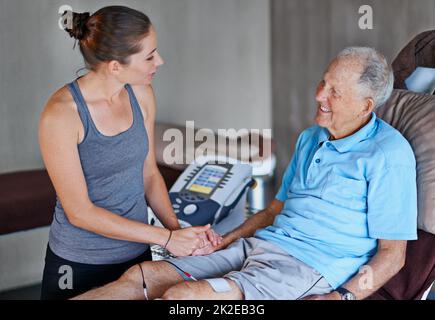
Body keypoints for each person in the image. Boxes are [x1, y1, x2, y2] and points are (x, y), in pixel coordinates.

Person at [73, 47, 418, 300]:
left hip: (309, 267)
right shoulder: (311, 137)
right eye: (322, 83)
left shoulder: (388, 155)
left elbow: (393, 255)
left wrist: (342, 297)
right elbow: (274, 210)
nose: (318, 96)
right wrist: (228, 238)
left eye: (334, 92)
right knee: (143, 276)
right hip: (262, 244)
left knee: (184, 299)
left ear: (365, 106)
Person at [38, 6, 221, 300]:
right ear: (114, 66)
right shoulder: (61, 115)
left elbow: (149, 174)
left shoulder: (141, 94)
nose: (159, 61)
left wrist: (183, 237)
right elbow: (80, 212)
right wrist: (168, 238)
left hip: (137, 256)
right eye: (149, 56)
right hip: (78, 263)